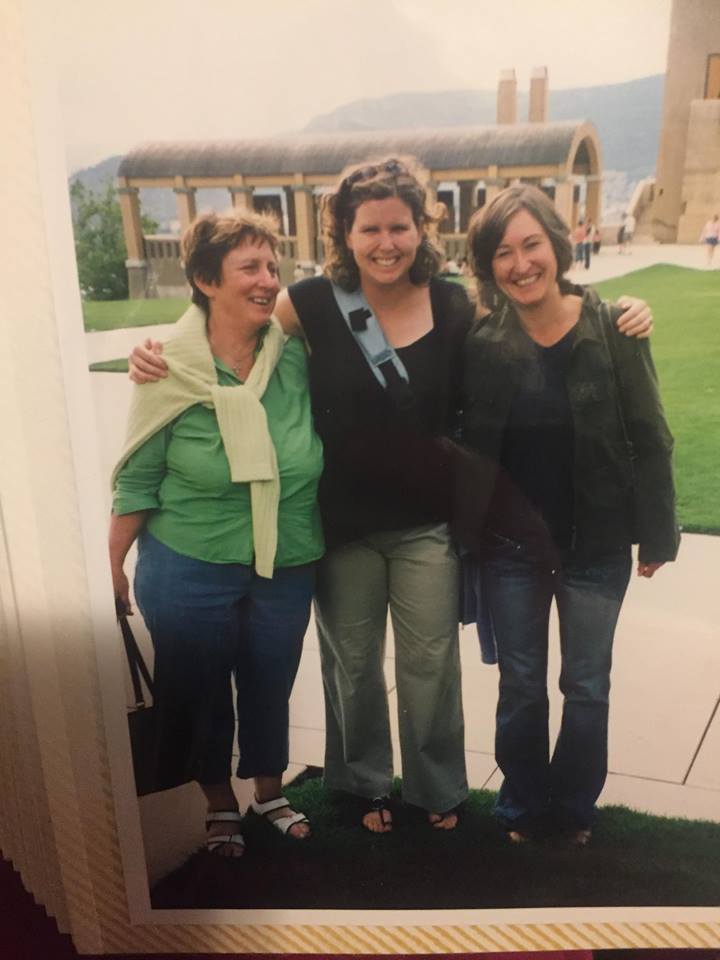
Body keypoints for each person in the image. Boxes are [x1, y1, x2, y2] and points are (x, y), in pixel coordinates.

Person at [128, 161, 654, 837]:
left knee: (430, 664)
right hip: (340, 525)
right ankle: (361, 784)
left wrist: (614, 308)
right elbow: (227, 322)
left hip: (429, 524)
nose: (386, 242)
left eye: (399, 227)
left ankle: (438, 788)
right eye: (369, 229)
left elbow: (534, 306)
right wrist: (160, 350)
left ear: (420, 228)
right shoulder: (309, 302)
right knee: (352, 666)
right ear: (345, 235)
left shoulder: (454, 304)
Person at [461, 185, 679, 846]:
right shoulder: (482, 341)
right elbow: (470, 449)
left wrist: (658, 533)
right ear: (488, 265)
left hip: (597, 545)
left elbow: (650, 433)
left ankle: (574, 808)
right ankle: (524, 806)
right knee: (522, 686)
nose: (521, 263)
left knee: (585, 685)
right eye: (503, 253)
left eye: (532, 245)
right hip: (511, 551)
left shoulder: (612, 328)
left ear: (557, 246)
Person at [110, 209, 324, 857]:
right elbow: (139, 475)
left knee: (270, 680)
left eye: (273, 266)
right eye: (250, 267)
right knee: (199, 690)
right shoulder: (168, 366)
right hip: (187, 561)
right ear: (205, 280)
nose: (269, 280)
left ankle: (269, 792)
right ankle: (219, 805)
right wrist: (112, 562)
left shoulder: (294, 355)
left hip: (285, 557)